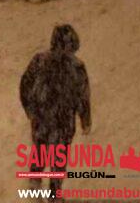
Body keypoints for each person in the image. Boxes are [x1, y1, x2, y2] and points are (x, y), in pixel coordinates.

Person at [20, 24, 92, 196]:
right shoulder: (73, 66)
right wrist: (85, 120)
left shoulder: (42, 60)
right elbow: (83, 95)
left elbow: (25, 84)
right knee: (50, 154)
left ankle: (44, 188)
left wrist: (29, 108)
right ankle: (45, 189)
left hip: (51, 119)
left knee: (47, 153)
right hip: (54, 119)